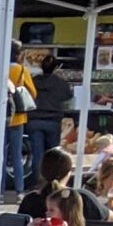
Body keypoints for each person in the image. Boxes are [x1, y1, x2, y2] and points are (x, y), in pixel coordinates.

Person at [25, 49, 74, 192]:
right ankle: (54, 184)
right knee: (54, 155)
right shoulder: (61, 83)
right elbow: (68, 98)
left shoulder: (33, 81)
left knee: (38, 155)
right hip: (53, 121)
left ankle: (38, 185)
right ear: (56, 68)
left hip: (34, 120)